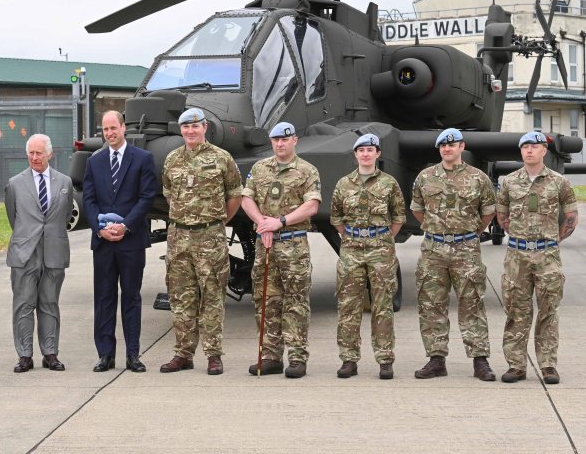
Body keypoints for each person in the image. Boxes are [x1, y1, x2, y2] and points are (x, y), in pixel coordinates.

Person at [159, 108, 241, 376]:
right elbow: (169, 194)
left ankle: (213, 355)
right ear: (181, 130)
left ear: (205, 128)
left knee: (212, 296)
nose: (190, 131)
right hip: (179, 238)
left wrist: (217, 222)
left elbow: (234, 195)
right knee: (181, 297)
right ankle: (183, 354)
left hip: (210, 238)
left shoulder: (221, 158)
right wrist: (186, 219)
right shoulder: (172, 159)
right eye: (186, 127)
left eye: (195, 127)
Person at [410, 127, 497, 381]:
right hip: (434, 248)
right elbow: (418, 210)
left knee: (472, 302)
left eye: (452, 144)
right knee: (431, 304)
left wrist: (468, 232)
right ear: (439, 149)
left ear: (462, 146)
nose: (447, 149)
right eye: (443, 146)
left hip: (466, 249)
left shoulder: (478, 178)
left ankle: (480, 361)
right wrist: (437, 229)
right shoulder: (425, 177)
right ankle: (436, 360)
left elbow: (488, 212)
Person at [240, 121, 321, 379]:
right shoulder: (260, 169)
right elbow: (246, 199)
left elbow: (312, 206)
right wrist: (262, 223)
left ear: (294, 140)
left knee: (295, 301)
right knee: (266, 299)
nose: (280, 143)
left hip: (293, 243)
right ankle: (270, 355)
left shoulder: (307, 171)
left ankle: (297, 357)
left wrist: (280, 222)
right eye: (275, 139)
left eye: (285, 139)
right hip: (266, 244)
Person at [497, 131, 578, 385]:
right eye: (525, 147)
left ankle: (548, 365)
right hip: (517, 255)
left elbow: (571, 217)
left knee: (548, 311)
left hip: (547, 254)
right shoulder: (509, 182)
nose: (529, 151)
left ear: (544, 151)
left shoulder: (558, 182)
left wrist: (552, 241)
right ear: (521, 152)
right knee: (516, 310)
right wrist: (521, 238)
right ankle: (516, 365)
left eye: (534, 146)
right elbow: (502, 216)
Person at [82, 111, 157, 373]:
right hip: (103, 242)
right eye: (105, 129)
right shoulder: (95, 161)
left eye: (114, 128)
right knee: (103, 299)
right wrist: (99, 228)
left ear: (124, 128)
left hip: (131, 242)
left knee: (131, 298)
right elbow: (89, 200)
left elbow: (147, 197)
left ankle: (133, 354)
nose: (110, 133)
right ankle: (105, 355)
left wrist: (125, 226)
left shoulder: (143, 159)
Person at [329, 134, 406, 380]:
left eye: (370, 150)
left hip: (381, 249)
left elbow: (398, 217)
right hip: (351, 249)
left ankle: (385, 359)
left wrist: (381, 238)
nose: (365, 154)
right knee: (348, 306)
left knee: (382, 306)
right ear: (355, 155)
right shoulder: (344, 184)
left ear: (377, 154)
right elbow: (336, 217)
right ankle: (349, 360)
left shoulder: (389, 183)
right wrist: (353, 236)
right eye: (361, 150)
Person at [5, 133, 73, 373]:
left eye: (39, 153)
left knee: (49, 303)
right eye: (31, 153)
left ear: (50, 154)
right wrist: (29, 238)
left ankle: (50, 353)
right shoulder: (14, 183)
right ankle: (24, 355)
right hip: (24, 253)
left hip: (54, 251)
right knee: (23, 305)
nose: (35, 157)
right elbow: (14, 218)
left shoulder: (65, 183)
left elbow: (64, 217)